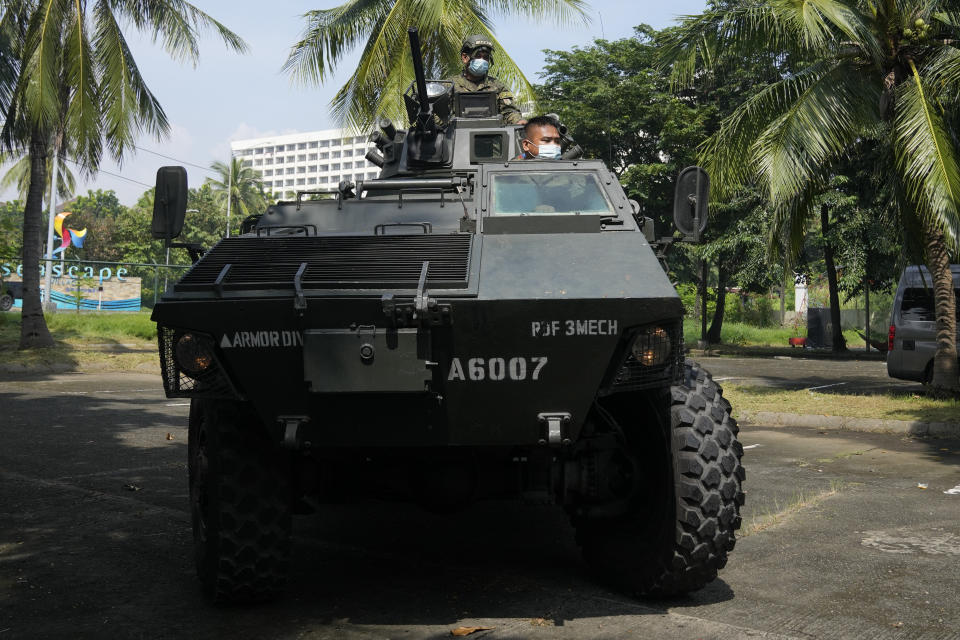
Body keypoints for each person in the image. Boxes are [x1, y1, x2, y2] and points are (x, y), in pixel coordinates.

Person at [448, 35, 523, 125]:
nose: (482, 60)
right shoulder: (449, 85)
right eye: (478, 56)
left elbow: (509, 111)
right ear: (465, 57)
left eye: (486, 57)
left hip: (492, 135)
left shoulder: (497, 86)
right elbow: (439, 115)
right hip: (458, 135)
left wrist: (518, 121)